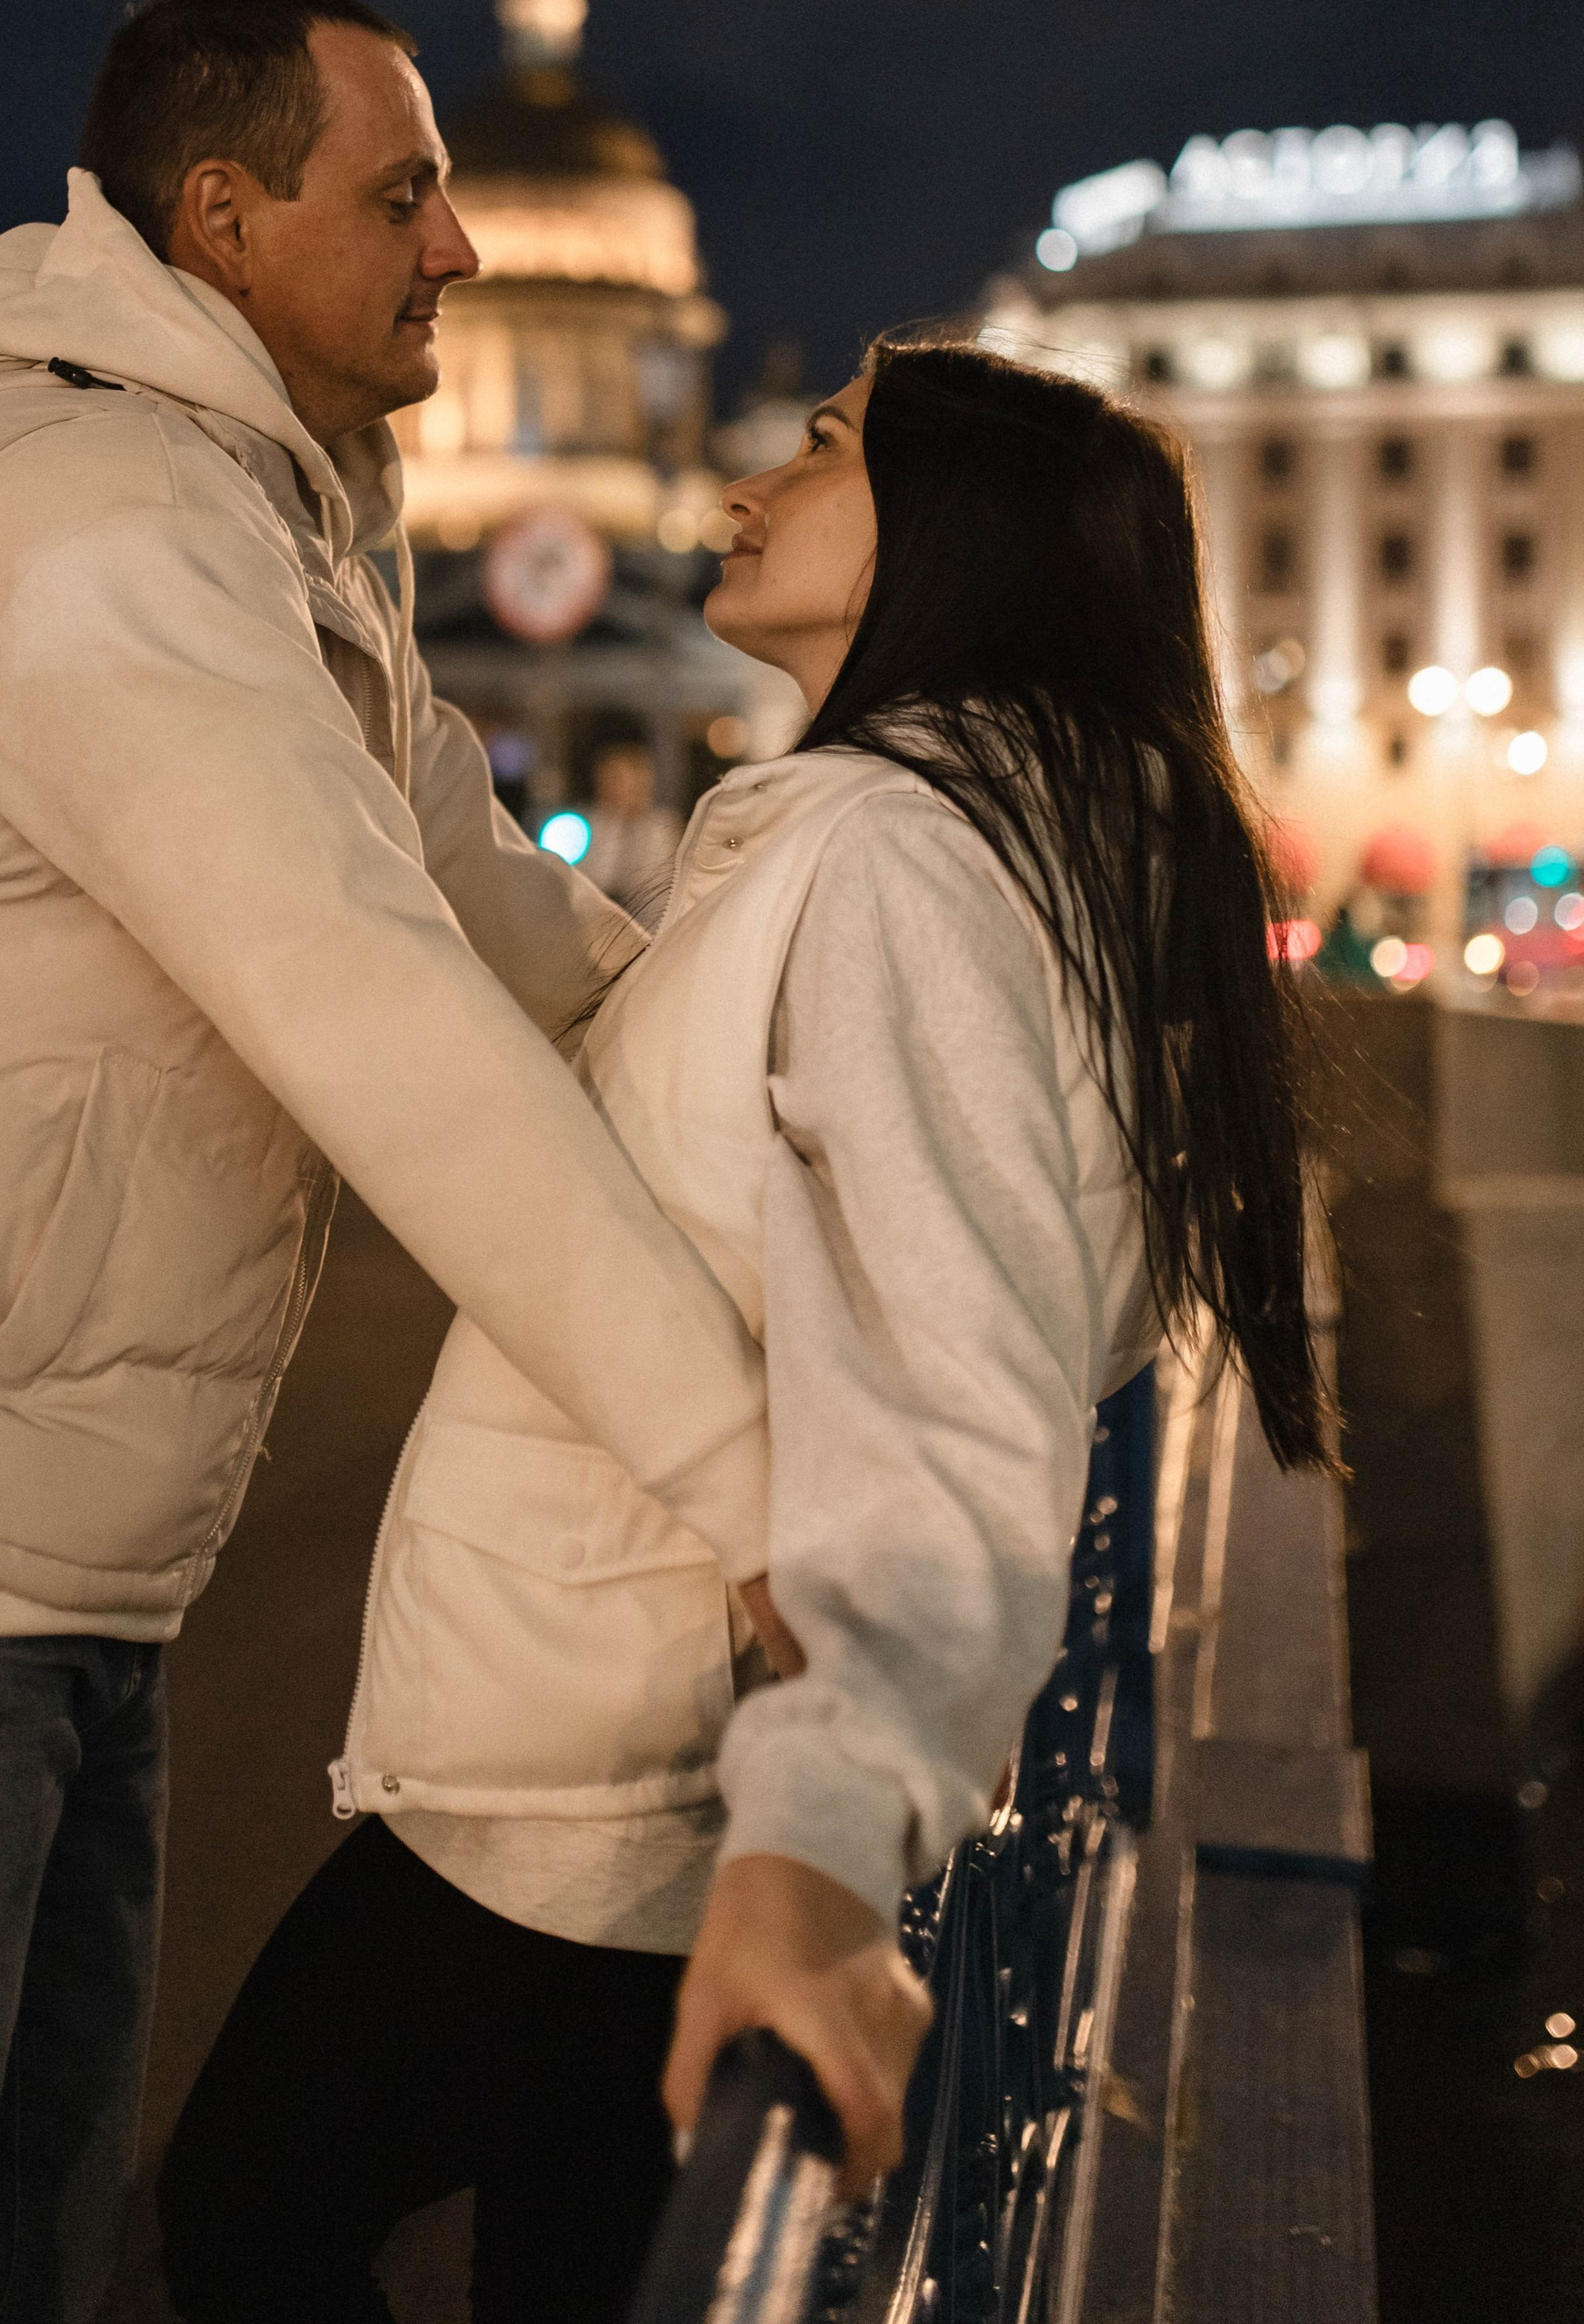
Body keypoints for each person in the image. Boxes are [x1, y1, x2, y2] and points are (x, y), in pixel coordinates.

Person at [0, 0, 780, 2324]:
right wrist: (759, 1481)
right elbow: (384, 1014)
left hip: (43, 1531)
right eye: (407, 191)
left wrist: (786, 1049)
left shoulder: (281, 511)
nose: (453, 246)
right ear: (225, 222)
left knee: (30, 2238)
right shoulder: (101, 520)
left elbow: (475, 879)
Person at [161, 340, 1332, 2324]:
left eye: (815, 448)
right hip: (670, 1739)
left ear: (942, 536)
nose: (739, 484)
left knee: (239, 2212)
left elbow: (958, 1391)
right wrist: (356, 655)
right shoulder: (967, 838)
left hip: (633, 1757)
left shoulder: (892, 857)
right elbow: (665, 1066)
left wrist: (819, 1822)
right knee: (580, 2269)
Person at [579, 730, 683, 928]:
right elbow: (589, 880)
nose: (613, 786)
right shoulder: (590, 825)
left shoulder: (663, 827)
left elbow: (658, 889)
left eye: (620, 778)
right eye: (608, 777)